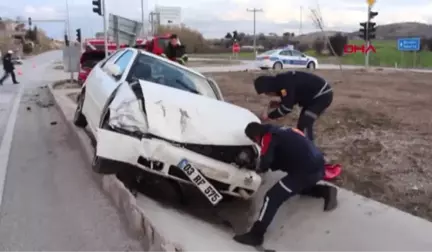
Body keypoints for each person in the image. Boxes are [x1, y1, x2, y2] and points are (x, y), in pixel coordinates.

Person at [233, 122, 338, 247]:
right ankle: (325, 191)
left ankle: (256, 235)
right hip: (318, 166)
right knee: (296, 188)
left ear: (255, 137)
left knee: (272, 197)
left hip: (305, 172)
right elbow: (280, 158)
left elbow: (265, 164)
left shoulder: (267, 138)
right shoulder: (282, 130)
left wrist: (252, 167)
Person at [254, 70, 332, 142]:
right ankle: (304, 146)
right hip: (314, 97)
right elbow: (291, 99)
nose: (269, 95)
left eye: (267, 93)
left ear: (269, 88)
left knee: (305, 122)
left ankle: (310, 150)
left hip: (322, 95)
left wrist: (270, 116)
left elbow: (287, 108)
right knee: (302, 125)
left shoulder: (283, 85)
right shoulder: (281, 83)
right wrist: (281, 103)